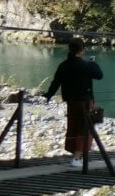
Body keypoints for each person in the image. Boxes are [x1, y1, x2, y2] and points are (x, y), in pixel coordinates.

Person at [44, 37, 103, 167]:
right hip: (85, 101)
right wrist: (93, 64)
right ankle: (77, 158)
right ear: (81, 50)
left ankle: (76, 154)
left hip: (71, 101)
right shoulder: (86, 65)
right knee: (84, 129)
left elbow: (55, 82)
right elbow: (99, 75)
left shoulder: (63, 65)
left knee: (73, 127)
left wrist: (48, 95)